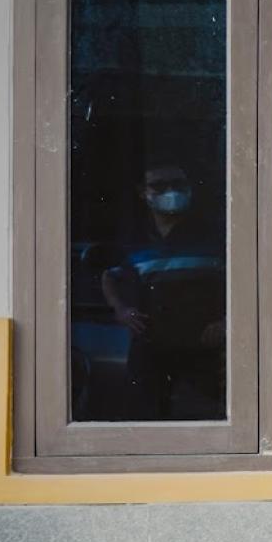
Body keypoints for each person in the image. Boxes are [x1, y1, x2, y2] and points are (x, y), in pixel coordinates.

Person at [100, 164, 227, 420]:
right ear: (142, 193)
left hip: (203, 348)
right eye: (159, 186)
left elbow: (242, 279)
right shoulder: (134, 238)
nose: (170, 191)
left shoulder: (214, 235)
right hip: (151, 347)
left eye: (177, 184)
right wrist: (121, 309)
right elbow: (109, 275)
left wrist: (227, 321)